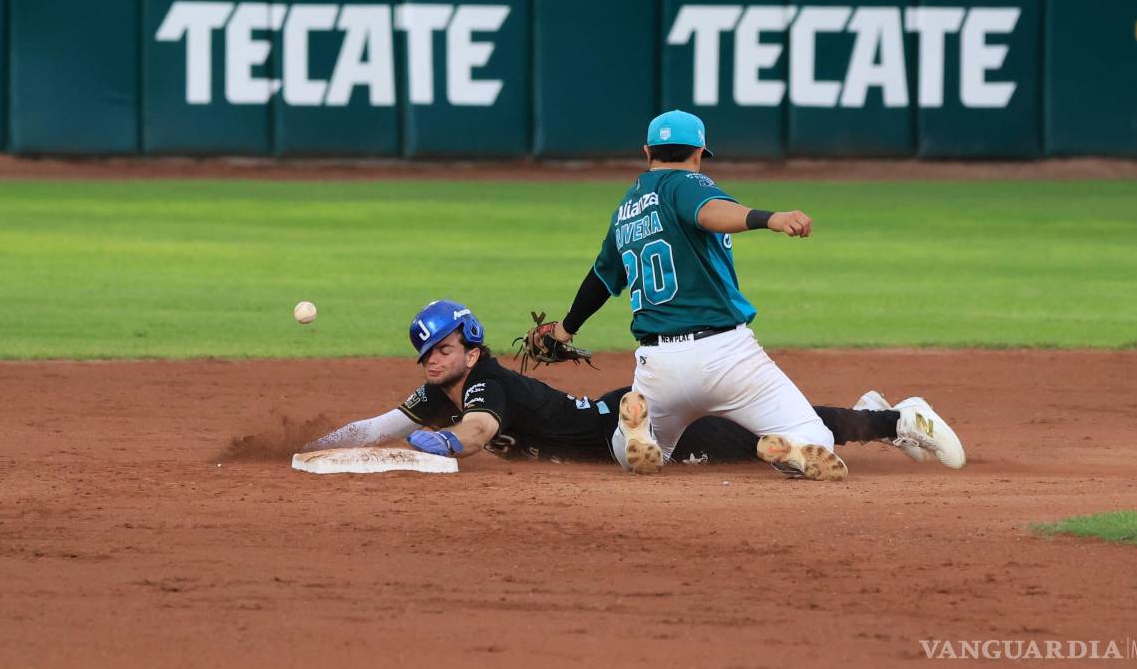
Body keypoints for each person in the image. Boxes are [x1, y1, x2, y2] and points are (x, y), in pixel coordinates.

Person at [538, 109, 965, 480]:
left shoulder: (625, 212)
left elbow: (601, 279)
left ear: (646, 153)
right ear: (700, 154)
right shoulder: (687, 184)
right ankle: (788, 449)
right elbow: (710, 213)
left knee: (638, 456)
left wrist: (565, 331)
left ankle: (635, 432)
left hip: (659, 366)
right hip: (728, 356)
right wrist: (770, 218)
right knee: (816, 437)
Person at [302, 300, 965, 474]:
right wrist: (317, 444)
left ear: (470, 347)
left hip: (633, 428)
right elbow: (382, 425)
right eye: (426, 354)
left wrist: (441, 446)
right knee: (761, 432)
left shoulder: (483, 384)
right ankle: (873, 412)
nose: (432, 361)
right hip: (625, 422)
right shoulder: (438, 390)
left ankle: (891, 420)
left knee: (759, 438)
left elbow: (475, 434)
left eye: (443, 349)